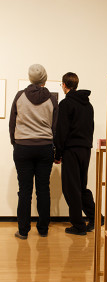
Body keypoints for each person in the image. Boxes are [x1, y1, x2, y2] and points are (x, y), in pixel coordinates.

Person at [9, 64, 58, 239]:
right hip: (45, 147)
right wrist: (54, 147)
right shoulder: (52, 99)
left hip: (23, 147)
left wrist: (15, 143)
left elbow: (12, 123)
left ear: (30, 78)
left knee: (24, 190)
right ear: (44, 78)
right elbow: (55, 126)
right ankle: (43, 229)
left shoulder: (19, 96)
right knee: (43, 189)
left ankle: (23, 231)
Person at [54, 72, 97, 235]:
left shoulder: (66, 104)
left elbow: (62, 131)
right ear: (76, 85)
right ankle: (95, 218)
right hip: (85, 149)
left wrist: (57, 154)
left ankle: (78, 226)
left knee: (71, 189)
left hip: (71, 150)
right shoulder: (88, 105)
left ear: (64, 85)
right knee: (80, 186)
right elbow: (90, 128)